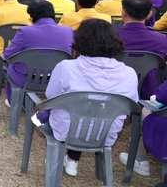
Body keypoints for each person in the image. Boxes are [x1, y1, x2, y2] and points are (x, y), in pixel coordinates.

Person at [32, 19, 138, 177]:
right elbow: (130, 105)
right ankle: (72, 160)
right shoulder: (129, 73)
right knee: (88, 114)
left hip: (67, 130)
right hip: (105, 132)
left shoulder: (66, 67)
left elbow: (51, 97)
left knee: (61, 115)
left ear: (79, 40)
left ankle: (64, 158)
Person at [3, 0, 73, 106]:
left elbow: (8, 54)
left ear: (32, 16)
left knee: (11, 66)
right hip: (56, 78)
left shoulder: (25, 31)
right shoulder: (68, 31)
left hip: (26, 79)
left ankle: (15, 102)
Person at [117, 0, 167, 99]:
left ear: (123, 12)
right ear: (149, 14)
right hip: (149, 93)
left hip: (115, 90)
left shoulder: (109, 37)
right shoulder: (162, 40)